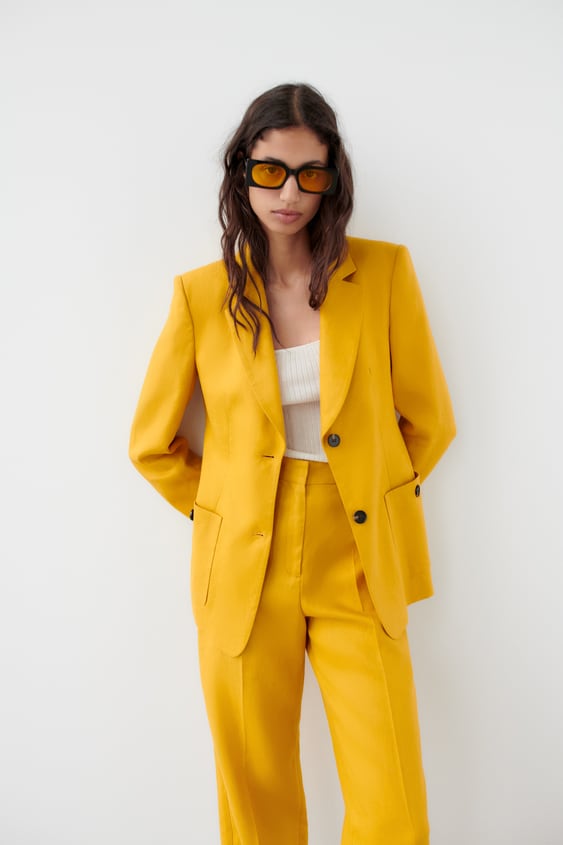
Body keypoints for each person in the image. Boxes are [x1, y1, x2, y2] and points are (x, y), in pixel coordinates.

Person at [129, 82, 455, 845]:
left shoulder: (382, 274)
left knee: (390, 795)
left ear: (331, 179)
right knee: (255, 795)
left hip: (358, 552)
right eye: (270, 171)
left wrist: (369, 493)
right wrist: (229, 506)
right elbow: (150, 443)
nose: (289, 194)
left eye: (310, 174)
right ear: (242, 170)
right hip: (244, 563)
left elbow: (429, 422)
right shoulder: (202, 296)